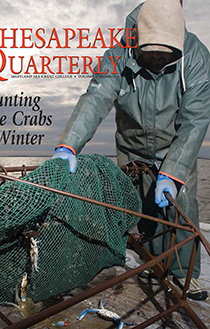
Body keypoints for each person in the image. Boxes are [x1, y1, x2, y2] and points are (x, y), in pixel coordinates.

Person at [52, 0, 210, 300]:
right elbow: (96, 98)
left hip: (175, 148)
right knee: (139, 210)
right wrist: (68, 144)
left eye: (165, 56)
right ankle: (148, 264)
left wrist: (173, 173)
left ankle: (182, 276)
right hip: (131, 148)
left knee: (181, 211)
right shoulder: (117, 54)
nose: (157, 60)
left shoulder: (198, 56)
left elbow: (196, 120)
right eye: (151, 54)